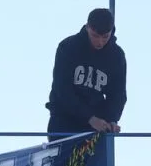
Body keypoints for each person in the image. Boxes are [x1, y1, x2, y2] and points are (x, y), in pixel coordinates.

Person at [45, 7, 127, 140]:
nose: (100, 42)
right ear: (87, 27)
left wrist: (112, 119)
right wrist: (89, 118)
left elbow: (118, 94)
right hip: (63, 121)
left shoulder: (117, 56)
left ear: (111, 32)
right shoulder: (68, 47)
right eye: (95, 36)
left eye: (105, 37)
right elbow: (62, 90)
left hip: (97, 127)